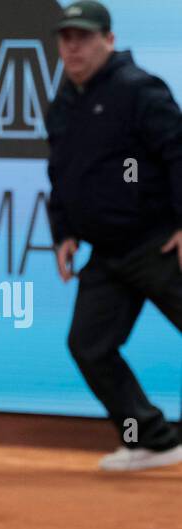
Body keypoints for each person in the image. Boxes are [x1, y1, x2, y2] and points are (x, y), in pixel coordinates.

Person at [47, 1, 182, 472]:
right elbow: (61, 173)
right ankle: (153, 439)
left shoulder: (139, 90)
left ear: (109, 40)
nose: (73, 47)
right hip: (107, 254)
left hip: (159, 244)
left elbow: (178, 153)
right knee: (89, 344)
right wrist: (63, 230)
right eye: (66, 38)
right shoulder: (62, 102)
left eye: (84, 37)